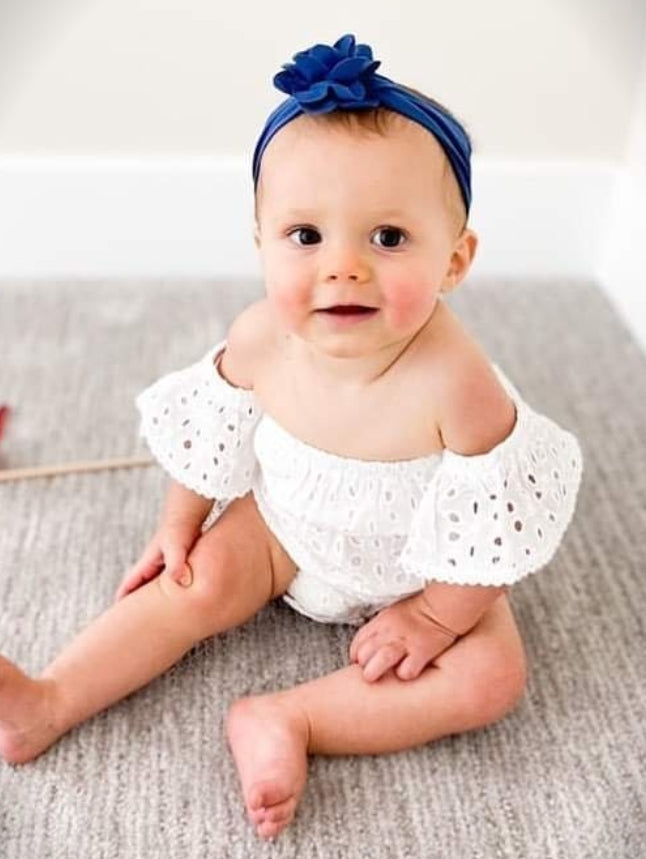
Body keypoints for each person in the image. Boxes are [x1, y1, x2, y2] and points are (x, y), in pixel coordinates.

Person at [0, 34, 583, 840]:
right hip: (285, 530)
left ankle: (293, 718)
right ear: (261, 242)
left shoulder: (459, 383)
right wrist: (178, 527)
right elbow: (213, 436)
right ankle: (48, 698)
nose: (342, 267)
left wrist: (437, 619)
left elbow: (494, 533)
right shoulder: (260, 337)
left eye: (387, 238)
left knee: (491, 676)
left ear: (456, 259)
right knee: (190, 584)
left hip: (421, 564)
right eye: (306, 236)